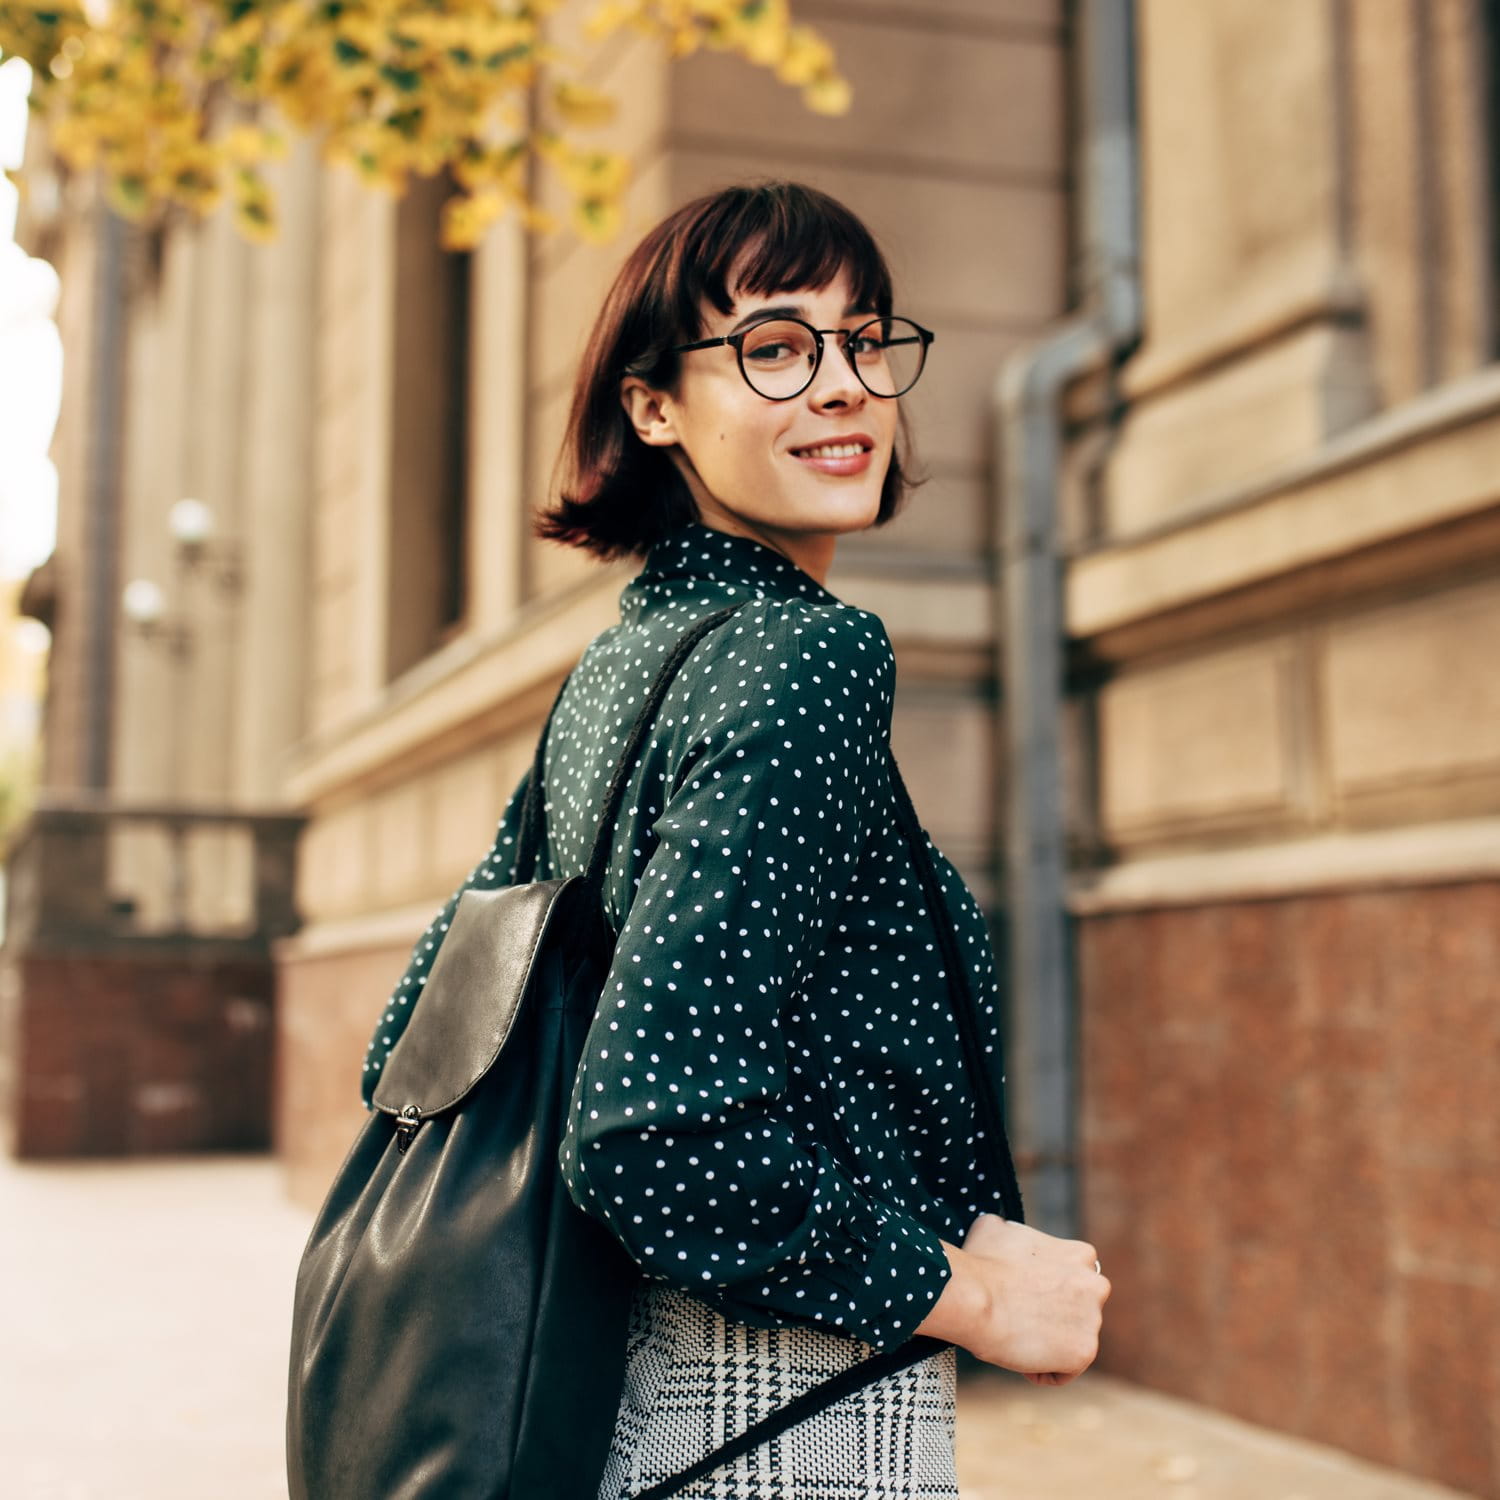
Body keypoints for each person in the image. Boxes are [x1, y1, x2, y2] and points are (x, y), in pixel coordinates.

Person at [359, 181, 1110, 1499]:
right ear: (654, 408)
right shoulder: (803, 657)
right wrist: (980, 1299)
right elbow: (656, 1134)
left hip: (611, 1398)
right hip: (779, 1416)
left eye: (865, 339)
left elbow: (412, 1047)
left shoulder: (617, 669)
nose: (842, 386)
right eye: (773, 346)